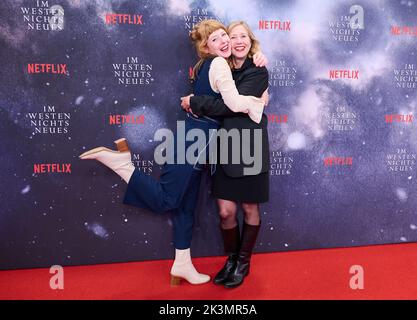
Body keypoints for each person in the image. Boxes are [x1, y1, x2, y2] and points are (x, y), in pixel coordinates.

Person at [79, 19, 268, 286]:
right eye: (215, 39)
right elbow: (234, 103)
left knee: (185, 206)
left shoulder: (209, 66)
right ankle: (123, 165)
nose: (224, 41)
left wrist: (194, 101)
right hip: (196, 140)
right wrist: (256, 104)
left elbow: (217, 100)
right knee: (168, 200)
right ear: (205, 47)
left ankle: (182, 264)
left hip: (194, 139)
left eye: (224, 34)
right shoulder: (217, 64)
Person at [181, 21, 270, 288]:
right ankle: (231, 259)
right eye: (233, 36)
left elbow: (230, 106)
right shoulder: (219, 66)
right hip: (225, 145)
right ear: (226, 42)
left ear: (251, 40)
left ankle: (243, 263)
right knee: (225, 211)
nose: (238, 41)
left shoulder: (258, 71)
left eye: (244, 36)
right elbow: (227, 104)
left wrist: (195, 101)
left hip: (251, 145)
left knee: (249, 207)